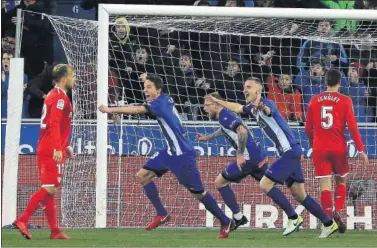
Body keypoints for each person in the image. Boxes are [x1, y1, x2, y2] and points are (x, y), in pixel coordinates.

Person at [99, 74, 235, 239]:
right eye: (145, 87)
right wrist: (146, 77)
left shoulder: (159, 105)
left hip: (182, 155)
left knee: (198, 193)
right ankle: (161, 213)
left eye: (149, 87)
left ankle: (225, 220)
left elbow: (137, 110)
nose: (145, 90)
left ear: (158, 89)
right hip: (170, 151)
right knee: (142, 176)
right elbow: (148, 100)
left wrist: (109, 109)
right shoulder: (166, 98)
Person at [206, 77, 338, 238]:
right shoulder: (252, 108)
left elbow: (267, 110)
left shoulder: (266, 104)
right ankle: (329, 223)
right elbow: (238, 107)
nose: (244, 90)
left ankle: (293, 218)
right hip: (289, 152)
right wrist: (218, 101)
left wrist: (263, 107)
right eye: (244, 87)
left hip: (290, 151)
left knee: (265, 183)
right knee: (299, 195)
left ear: (258, 90)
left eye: (248, 87)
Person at [13, 64, 75, 240]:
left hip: (50, 145)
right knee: (49, 188)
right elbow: (54, 124)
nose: (74, 78)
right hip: (50, 148)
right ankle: (22, 220)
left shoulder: (56, 95)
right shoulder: (59, 98)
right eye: (72, 75)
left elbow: (59, 124)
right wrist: (57, 147)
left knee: (51, 190)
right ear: (64, 79)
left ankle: (55, 230)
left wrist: (65, 145)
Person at [305, 68, 369, 233]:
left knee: (324, 186)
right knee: (341, 181)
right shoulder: (345, 100)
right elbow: (353, 127)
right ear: (340, 83)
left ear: (325, 82)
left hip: (320, 148)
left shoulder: (314, 100)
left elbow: (308, 128)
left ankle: (328, 224)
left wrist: (313, 144)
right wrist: (361, 149)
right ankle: (337, 210)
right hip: (338, 148)